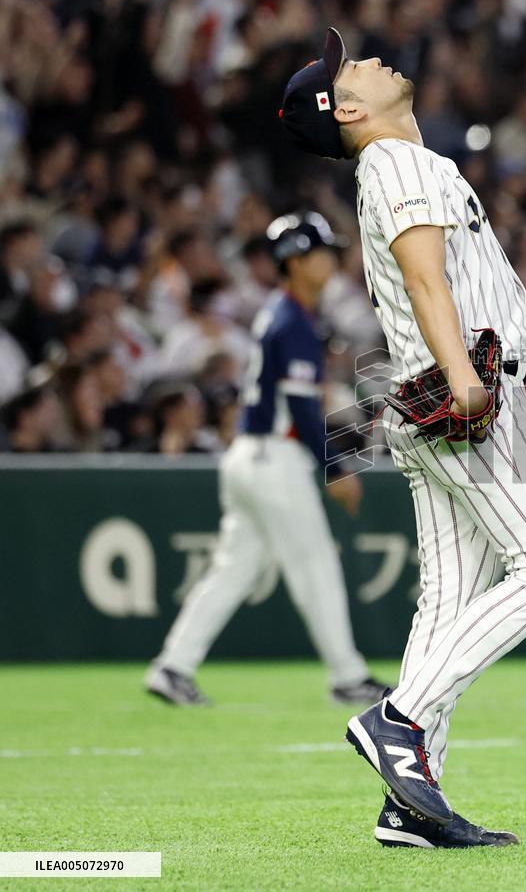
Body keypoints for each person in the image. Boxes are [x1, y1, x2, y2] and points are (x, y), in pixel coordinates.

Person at [278, 28, 526, 848]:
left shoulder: (413, 166)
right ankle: (397, 721)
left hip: (442, 397)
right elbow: (427, 281)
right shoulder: (398, 165)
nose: (365, 59)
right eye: (350, 68)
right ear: (350, 107)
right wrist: (466, 378)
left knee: (447, 606)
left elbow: (493, 306)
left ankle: (410, 804)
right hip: (466, 402)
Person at [144, 213, 388, 708]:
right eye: (319, 251)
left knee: (233, 569)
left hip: (250, 456)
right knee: (315, 562)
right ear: (294, 260)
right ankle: (347, 675)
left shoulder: (282, 311)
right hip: (275, 457)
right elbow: (301, 407)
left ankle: (172, 666)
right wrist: (335, 467)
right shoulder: (291, 317)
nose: (329, 259)